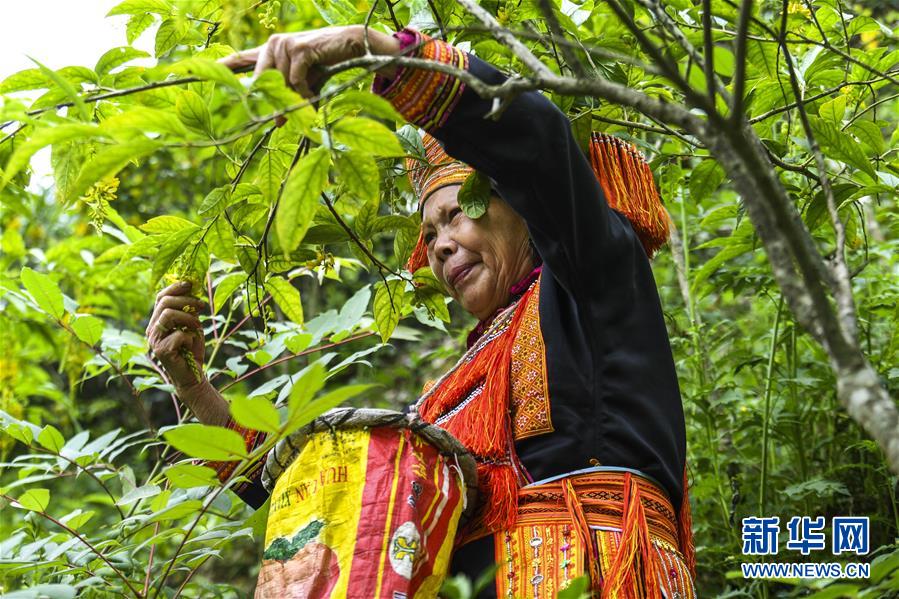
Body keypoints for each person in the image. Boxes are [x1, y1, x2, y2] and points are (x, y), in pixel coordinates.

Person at [148, 24, 695, 598]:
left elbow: (537, 148)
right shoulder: (443, 401)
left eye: (457, 214)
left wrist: (379, 52)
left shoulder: (592, 282)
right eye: (429, 232)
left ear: (523, 208)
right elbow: (321, 497)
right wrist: (192, 389)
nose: (439, 245)